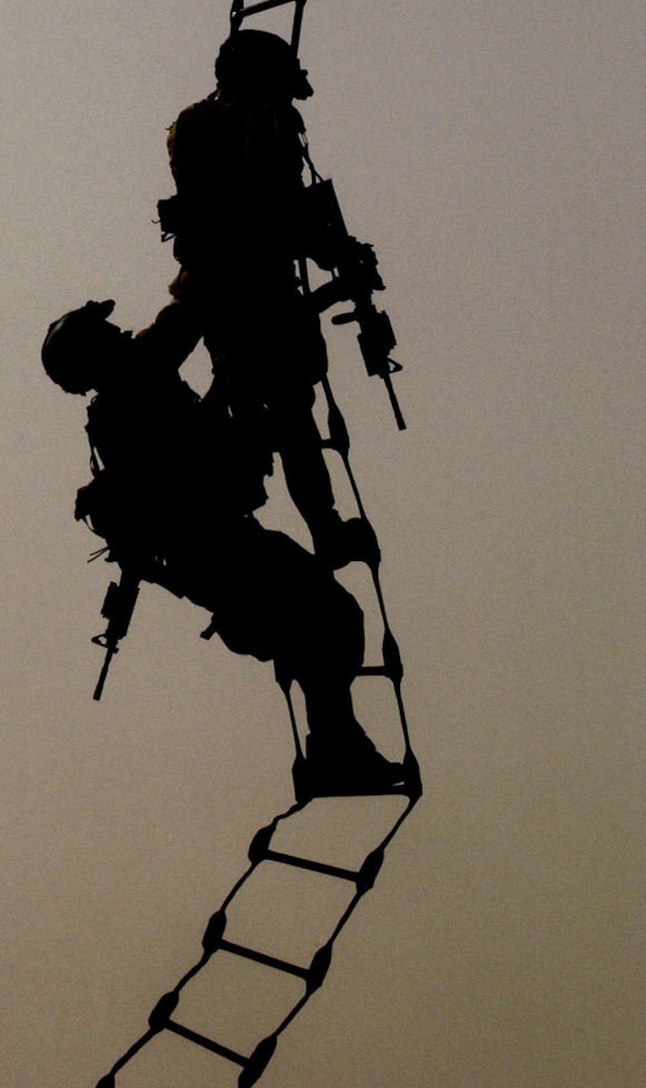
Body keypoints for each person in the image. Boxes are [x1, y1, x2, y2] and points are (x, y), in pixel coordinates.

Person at [42, 299, 406, 797]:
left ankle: (335, 749)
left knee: (323, 624)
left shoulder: (136, 385)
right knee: (331, 617)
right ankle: (335, 752)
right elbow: (183, 456)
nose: (124, 334)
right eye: (109, 334)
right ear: (93, 356)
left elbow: (185, 326)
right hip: (214, 552)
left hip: (221, 547)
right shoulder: (127, 405)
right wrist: (228, 378)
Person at [162, 28, 374, 567]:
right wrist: (338, 254)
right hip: (259, 290)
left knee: (251, 411)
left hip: (211, 293)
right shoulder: (263, 124)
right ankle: (321, 530)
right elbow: (277, 213)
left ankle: (240, 520)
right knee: (292, 419)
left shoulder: (190, 124)